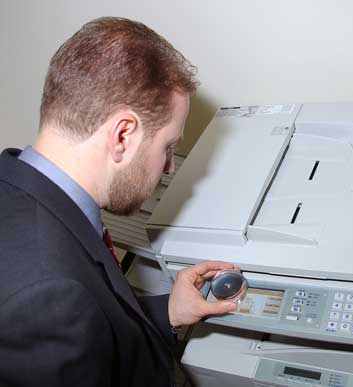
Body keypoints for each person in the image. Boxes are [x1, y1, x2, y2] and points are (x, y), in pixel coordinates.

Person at [0, 17, 237, 387]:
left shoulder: (15, 184)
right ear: (123, 135)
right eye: (168, 147)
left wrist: (169, 311)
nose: (170, 167)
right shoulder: (47, 295)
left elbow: (94, 320)